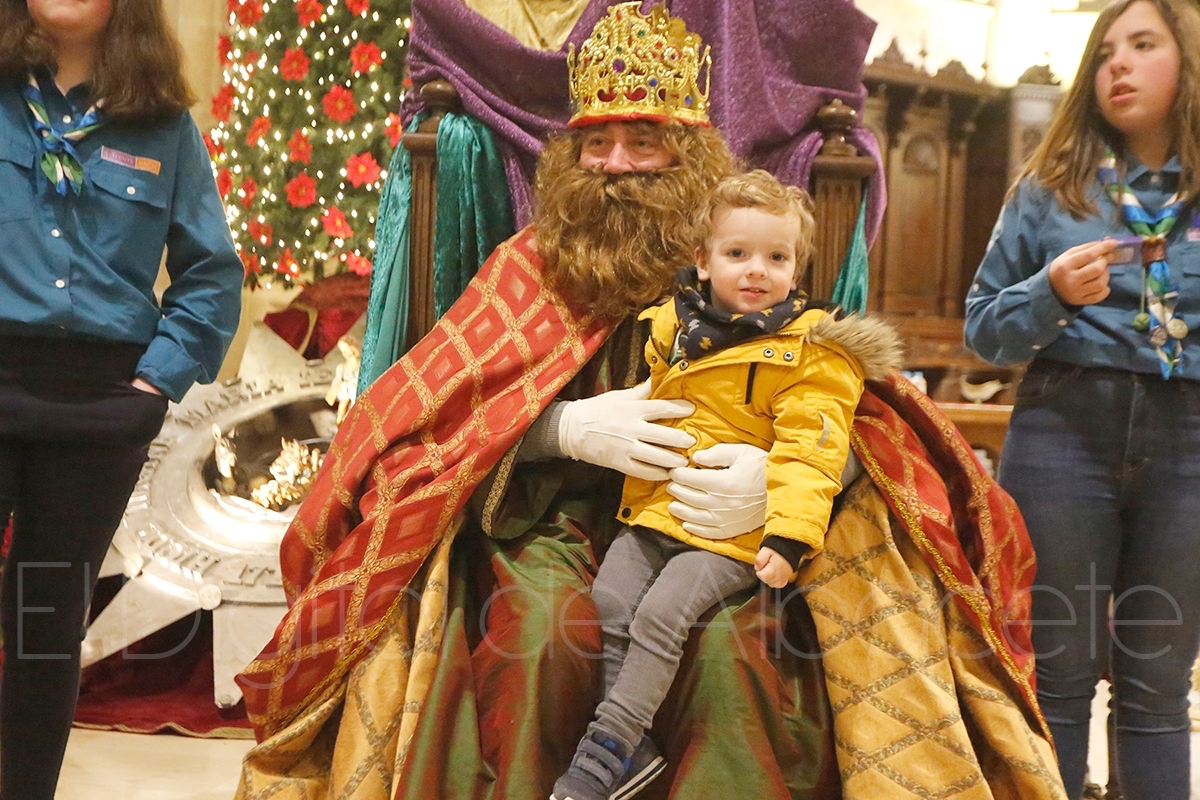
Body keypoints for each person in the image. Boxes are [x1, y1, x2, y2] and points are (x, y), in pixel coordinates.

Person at [237, 5, 1065, 799]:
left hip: (709, 526)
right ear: (570, 157)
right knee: (538, 640)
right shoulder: (529, 266)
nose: (619, 164)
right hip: (551, 521)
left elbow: (863, 417)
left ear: (692, 157)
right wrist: (558, 429)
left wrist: (782, 481)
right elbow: (432, 416)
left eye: (645, 142)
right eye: (598, 143)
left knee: (731, 655)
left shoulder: (742, 270)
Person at [551, 170, 893, 800]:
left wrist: (788, 536)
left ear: (797, 269)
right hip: (658, 511)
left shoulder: (813, 352)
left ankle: (602, 756)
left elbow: (812, 451)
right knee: (609, 601)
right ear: (702, 262)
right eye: (737, 253)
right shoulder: (671, 326)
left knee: (662, 614)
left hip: (731, 533)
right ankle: (635, 755)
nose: (757, 269)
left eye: (777, 257)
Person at [0, 0, 243, 795]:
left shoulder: (162, 125)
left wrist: (155, 382)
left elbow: (211, 274)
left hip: (100, 410)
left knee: (44, 626)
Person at [964, 1, 1200, 798]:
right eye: (1104, 52)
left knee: (1157, 685)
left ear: (1189, 60)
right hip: (1064, 431)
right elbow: (984, 331)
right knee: (1056, 677)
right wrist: (1051, 294)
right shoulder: (1050, 187)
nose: (1117, 64)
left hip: (1189, 438)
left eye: (1143, 45)